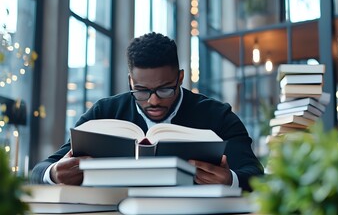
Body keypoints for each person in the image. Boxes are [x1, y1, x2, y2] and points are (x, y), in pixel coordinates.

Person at [30, 32, 264, 191]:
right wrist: (54, 174)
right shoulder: (104, 111)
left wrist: (230, 179)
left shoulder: (217, 115)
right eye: (141, 90)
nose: (153, 101)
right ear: (130, 81)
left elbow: (255, 174)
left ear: (180, 78)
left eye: (164, 90)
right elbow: (39, 170)